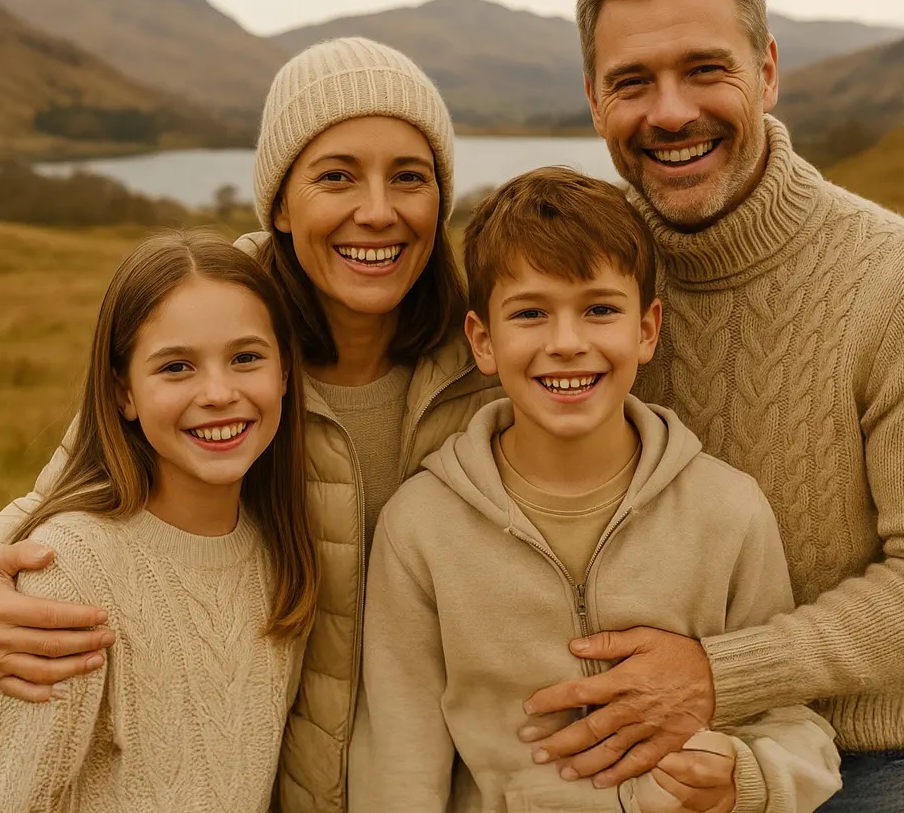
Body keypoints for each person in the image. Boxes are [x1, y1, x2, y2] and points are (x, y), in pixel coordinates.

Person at [0, 37, 501, 811]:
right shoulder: (225, 334)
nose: (378, 211)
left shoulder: (492, 361)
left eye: (410, 178)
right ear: (281, 205)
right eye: (336, 177)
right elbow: (78, 487)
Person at [518, 0, 904, 813]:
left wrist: (718, 676)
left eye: (704, 69)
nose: (670, 112)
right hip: (613, 762)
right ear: (595, 102)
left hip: (854, 770)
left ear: (765, 70)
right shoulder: (579, 278)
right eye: (632, 82)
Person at [348, 167, 841, 812]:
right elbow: (398, 762)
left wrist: (747, 777)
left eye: (600, 309)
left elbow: (790, 720)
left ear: (647, 330)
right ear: (483, 341)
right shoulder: (420, 525)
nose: (567, 344)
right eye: (530, 313)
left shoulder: (729, 509)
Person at [0, 228, 317, 811]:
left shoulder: (278, 553)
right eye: (176, 367)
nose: (218, 393)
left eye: (246, 358)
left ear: (286, 374)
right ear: (124, 394)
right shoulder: (69, 575)